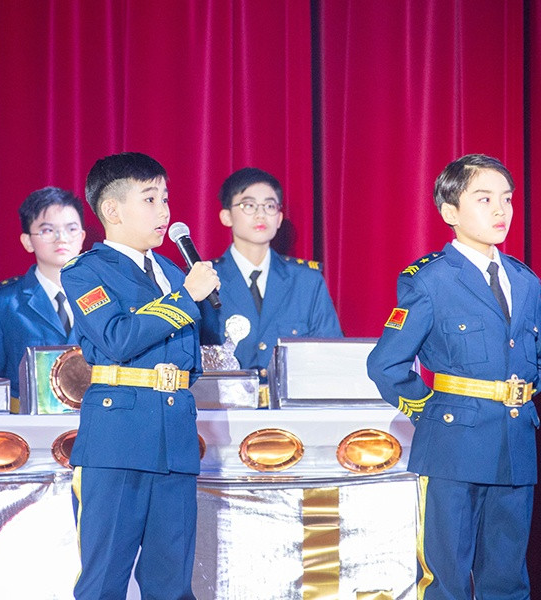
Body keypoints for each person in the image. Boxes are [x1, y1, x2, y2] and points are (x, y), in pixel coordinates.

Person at [367, 154, 541, 599]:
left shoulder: (525, 281)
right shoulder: (430, 281)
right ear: (450, 212)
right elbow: (385, 364)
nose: (501, 210)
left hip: (515, 445)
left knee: (508, 581)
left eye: (507, 199)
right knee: (446, 580)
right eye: (484, 199)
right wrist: (428, 412)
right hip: (453, 448)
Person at [61, 152, 219, 600]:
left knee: (172, 583)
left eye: (165, 198)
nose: (164, 211)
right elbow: (117, 338)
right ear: (112, 210)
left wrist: (205, 298)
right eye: (150, 199)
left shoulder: (173, 271)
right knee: (104, 581)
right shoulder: (86, 271)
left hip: (175, 438)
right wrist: (186, 299)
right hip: (118, 440)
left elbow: (199, 348)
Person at [199, 167, 342, 382]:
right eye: (248, 205)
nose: (261, 214)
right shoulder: (205, 279)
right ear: (226, 216)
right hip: (225, 402)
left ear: (279, 218)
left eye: (269, 206)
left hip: (289, 401)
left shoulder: (306, 282)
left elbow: (331, 356)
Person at [0, 186, 86, 401]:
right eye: (48, 230)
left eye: (71, 229)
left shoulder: (106, 298)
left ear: (82, 237)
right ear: (27, 241)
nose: (61, 238)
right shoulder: (3, 303)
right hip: (26, 419)